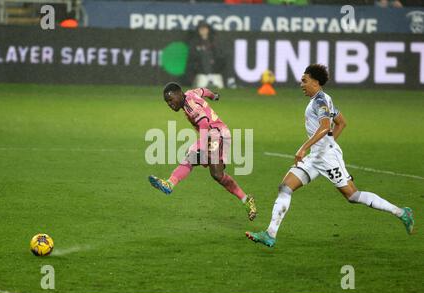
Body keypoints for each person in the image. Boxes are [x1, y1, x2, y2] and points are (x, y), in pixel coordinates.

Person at [246, 64, 415, 248]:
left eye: (305, 80)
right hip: (316, 156)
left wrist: (306, 147)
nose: (301, 84)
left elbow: (326, 126)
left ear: (315, 82)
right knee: (285, 187)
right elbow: (341, 123)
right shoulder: (323, 99)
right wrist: (325, 142)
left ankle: (401, 213)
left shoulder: (320, 102)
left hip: (327, 158)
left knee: (353, 195)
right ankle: (270, 234)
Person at [149, 82, 257, 220]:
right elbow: (203, 91)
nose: (170, 104)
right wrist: (214, 96)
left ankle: (170, 183)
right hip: (217, 133)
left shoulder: (190, 108)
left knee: (192, 156)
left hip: (216, 134)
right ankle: (246, 199)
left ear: (179, 94)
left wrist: (204, 149)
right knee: (217, 175)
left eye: (171, 100)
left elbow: (205, 124)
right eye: (167, 102)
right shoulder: (190, 93)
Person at [188, 21, 236, 89]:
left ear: (208, 29)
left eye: (205, 28)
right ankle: (209, 79)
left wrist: (212, 59)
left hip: (214, 67)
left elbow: (219, 54)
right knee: (204, 53)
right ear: (198, 30)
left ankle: (231, 80)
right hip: (200, 68)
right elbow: (192, 58)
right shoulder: (194, 42)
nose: (203, 31)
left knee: (228, 54)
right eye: (201, 29)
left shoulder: (214, 40)